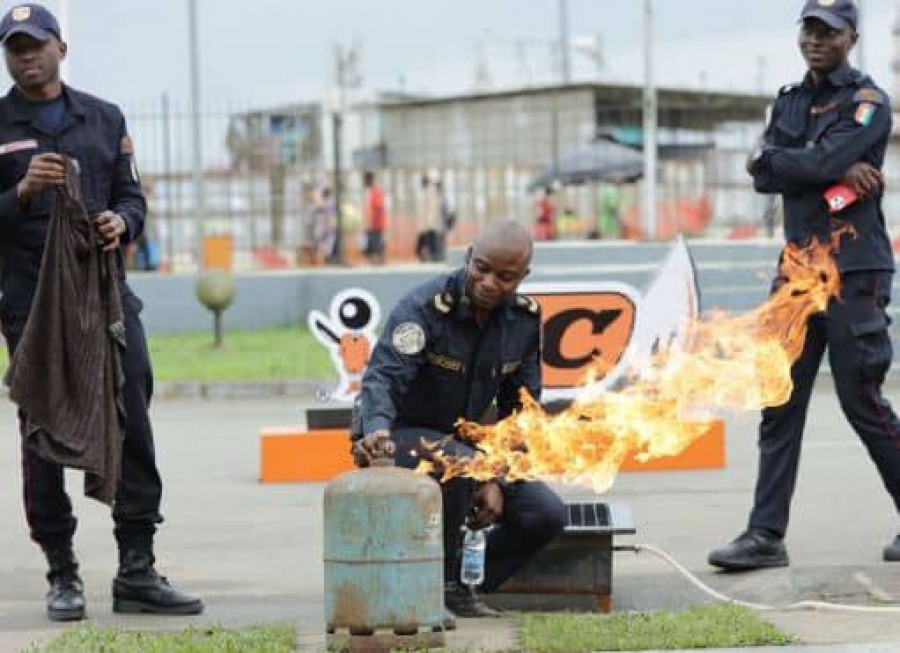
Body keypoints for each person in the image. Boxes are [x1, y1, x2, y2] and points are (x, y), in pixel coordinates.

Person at [0, 4, 202, 620]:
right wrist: (21, 193)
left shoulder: (105, 117)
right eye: (14, 48)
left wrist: (124, 220)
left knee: (131, 414)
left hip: (106, 296)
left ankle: (136, 569)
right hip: (32, 302)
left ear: (62, 47)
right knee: (42, 431)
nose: (25, 55)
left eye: (35, 44)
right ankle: (62, 573)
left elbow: (132, 196)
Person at [708, 0, 900, 571]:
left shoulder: (869, 103)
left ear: (852, 39)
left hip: (851, 271)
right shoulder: (789, 100)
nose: (816, 40)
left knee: (861, 402)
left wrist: (803, 162)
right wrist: (821, 165)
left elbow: (783, 163)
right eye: (809, 29)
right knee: (779, 401)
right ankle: (765, 536)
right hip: (796, 271)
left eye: (829, 32)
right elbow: (764, 174)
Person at [351, 219, 567, 619]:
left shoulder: (523, 320)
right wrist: (376, 430)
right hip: (394, 438)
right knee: (457, 463)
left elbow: (520, 411)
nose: (488, 282)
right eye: (481, 267)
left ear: (523, 276)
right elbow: (383, 378)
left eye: (505, 277)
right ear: (468, 256)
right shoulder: (424, 309)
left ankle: (467, 586)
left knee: (546, 513)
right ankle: (441, 589)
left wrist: (498, 478)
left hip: (467, 450)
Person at [362, 170, 386, 264]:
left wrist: (372, 223)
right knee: (373, 241)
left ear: (369, 180)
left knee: (376, 241)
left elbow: (378, 207)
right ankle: (376, 259)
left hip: (376, 222)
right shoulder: (371, 191)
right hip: (373, 222)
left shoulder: (376, 191)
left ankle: (379, 260)